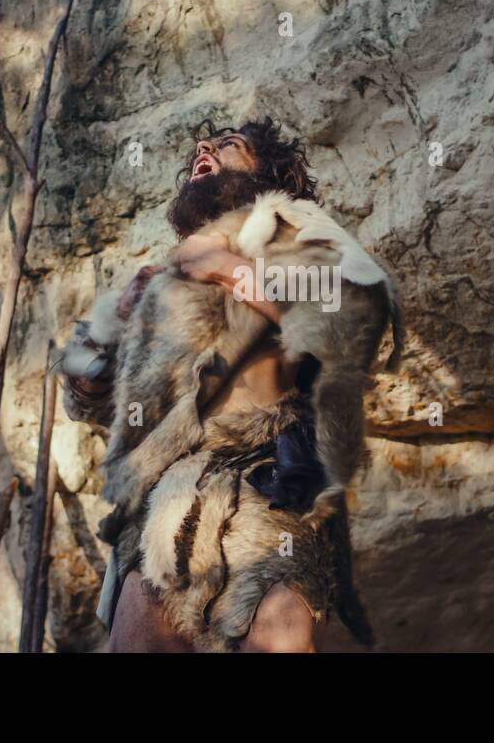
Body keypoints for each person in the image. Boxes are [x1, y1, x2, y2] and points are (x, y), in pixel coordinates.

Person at [61, 116, 389, 652]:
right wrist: (108, 332)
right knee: (139, 631)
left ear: (273, 176)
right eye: (202, 146)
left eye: (228, 145)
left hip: (268, 491)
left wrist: (223, 266)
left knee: (277, 628)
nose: (204, 151)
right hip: (162, 507)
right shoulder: (157, 286)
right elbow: (90, 403)